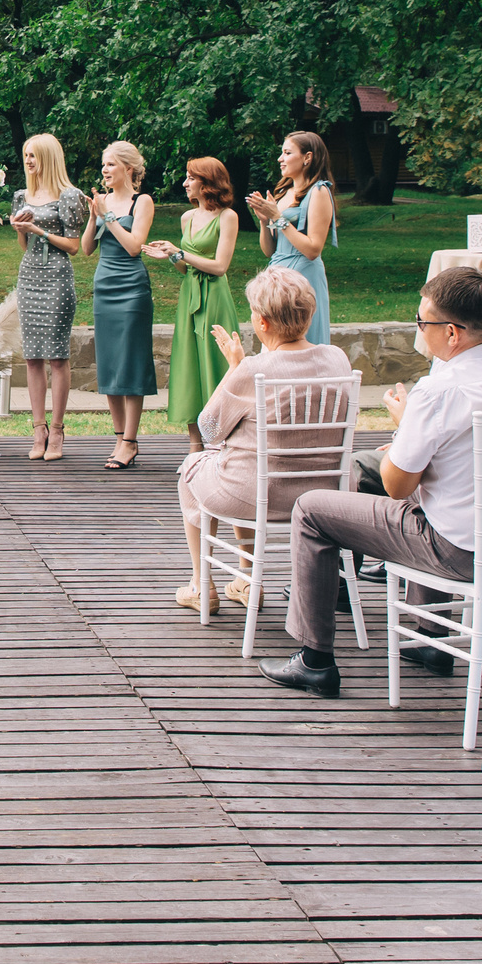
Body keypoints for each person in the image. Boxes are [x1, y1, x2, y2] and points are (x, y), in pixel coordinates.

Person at [261, 266, 482, 698]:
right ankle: (432, 638)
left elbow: (398, 486)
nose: (418, 330)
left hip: (463, 552)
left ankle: (314, 659)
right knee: (393, 479)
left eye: (421, 322)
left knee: (314, 508)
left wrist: (408, 421)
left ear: (451, 332)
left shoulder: (441, 391)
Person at [172, 266, 351, 613]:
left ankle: (200, 584)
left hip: (260, 493)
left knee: (193, 467)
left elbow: (209, 429)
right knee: (243, 459)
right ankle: (243, 579)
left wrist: (236, 368)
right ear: (310, 314)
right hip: (328, 493)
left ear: (262, 323)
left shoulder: (255, 370)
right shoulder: (337, 357)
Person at [149, 155, 244, 455]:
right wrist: (171, 255)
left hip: (215, 298)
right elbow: (185, 268)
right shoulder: (187, 218)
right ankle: (194, 447)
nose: (185, 182)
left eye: (190, 177)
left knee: (215, 365)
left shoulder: (227, 217)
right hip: (189, 297)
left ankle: (221, 443)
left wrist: (181, 253)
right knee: (189, 368)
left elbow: (219, 266)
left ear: (207, 181)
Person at [9, 133, 87, 462]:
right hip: (29, 276)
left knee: (56, 356)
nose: (29, 160)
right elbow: (24, 247)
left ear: (49, 158)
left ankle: (57, 430)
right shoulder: (20, 196)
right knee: (31, 357)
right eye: (26, 155)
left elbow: (74, 246)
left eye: (35, 155)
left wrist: (40, 230)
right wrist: (21, 231)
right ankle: (37, 429)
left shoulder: (68, 196)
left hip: (56, 277)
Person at [82, 140, 157, 470]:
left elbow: (134, 247)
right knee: (109, 362)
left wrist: (109, 217)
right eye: (103, 164)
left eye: (110, 164)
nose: (104, 170)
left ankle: (130, 440)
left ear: (128, 168)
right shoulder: (103, 201)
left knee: (131, 361)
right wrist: (92, 216)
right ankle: (118, 436)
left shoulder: (143, 202)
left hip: (131, 289)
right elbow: (86, 249)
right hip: (104, 286)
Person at [249, 132, 339, 347]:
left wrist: (278, 217)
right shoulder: (285, 192)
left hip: (304, 276)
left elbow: (313, 249)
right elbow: (269, 251)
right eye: (281, 153)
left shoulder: (319, 191)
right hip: (278, 273)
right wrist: (264, 221)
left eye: (287, 153)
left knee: (304, 343)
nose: (280, 158)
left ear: (307, 157)